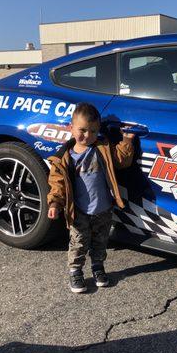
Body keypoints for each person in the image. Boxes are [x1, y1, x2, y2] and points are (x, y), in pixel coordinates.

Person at [47, 102, 134, 293]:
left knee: (100, 241)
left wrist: (127, 140)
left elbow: (121, 160)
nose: (88, 136)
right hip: (78, 211)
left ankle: (97, 267)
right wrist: (54, 203)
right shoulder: (64, 158)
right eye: (83, 130)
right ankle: (76, 271)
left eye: (93, 131)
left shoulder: (101, 148)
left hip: (102, 209)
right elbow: (57, 183)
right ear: (71, 129)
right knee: (78, 242)